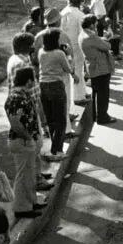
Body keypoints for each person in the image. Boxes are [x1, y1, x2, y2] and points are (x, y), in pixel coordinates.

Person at [4, 68, 46, 220]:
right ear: (28, 80)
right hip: (22, 141)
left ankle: (31, 202)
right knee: (23, 176)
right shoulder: (16, 98)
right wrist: (28, 138)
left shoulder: (22, 95)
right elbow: (15, 122)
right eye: (32, 79)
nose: (34, 82)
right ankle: (21, 208)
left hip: (27, 141)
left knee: (30, 175)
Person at [37, 29, 73, 161]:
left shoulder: (41, 52)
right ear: (55, 41)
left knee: (51, 120)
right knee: (61, 121)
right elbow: (68, 69)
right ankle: (57, 150)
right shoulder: (59, 54)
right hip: (56, 86)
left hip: (43, 86)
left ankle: (54, 147)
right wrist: (68, 54)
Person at [80, 14, 115, 125]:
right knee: (103, 94)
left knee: (96, 93)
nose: (96, 26)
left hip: (93, 67)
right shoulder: (91, 37)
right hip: (101, 67)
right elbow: (107, 46)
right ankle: (103, 117)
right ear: (91, 25)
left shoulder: (82, 34)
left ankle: (96, 116)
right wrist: (107, 39)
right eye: (95, 24)